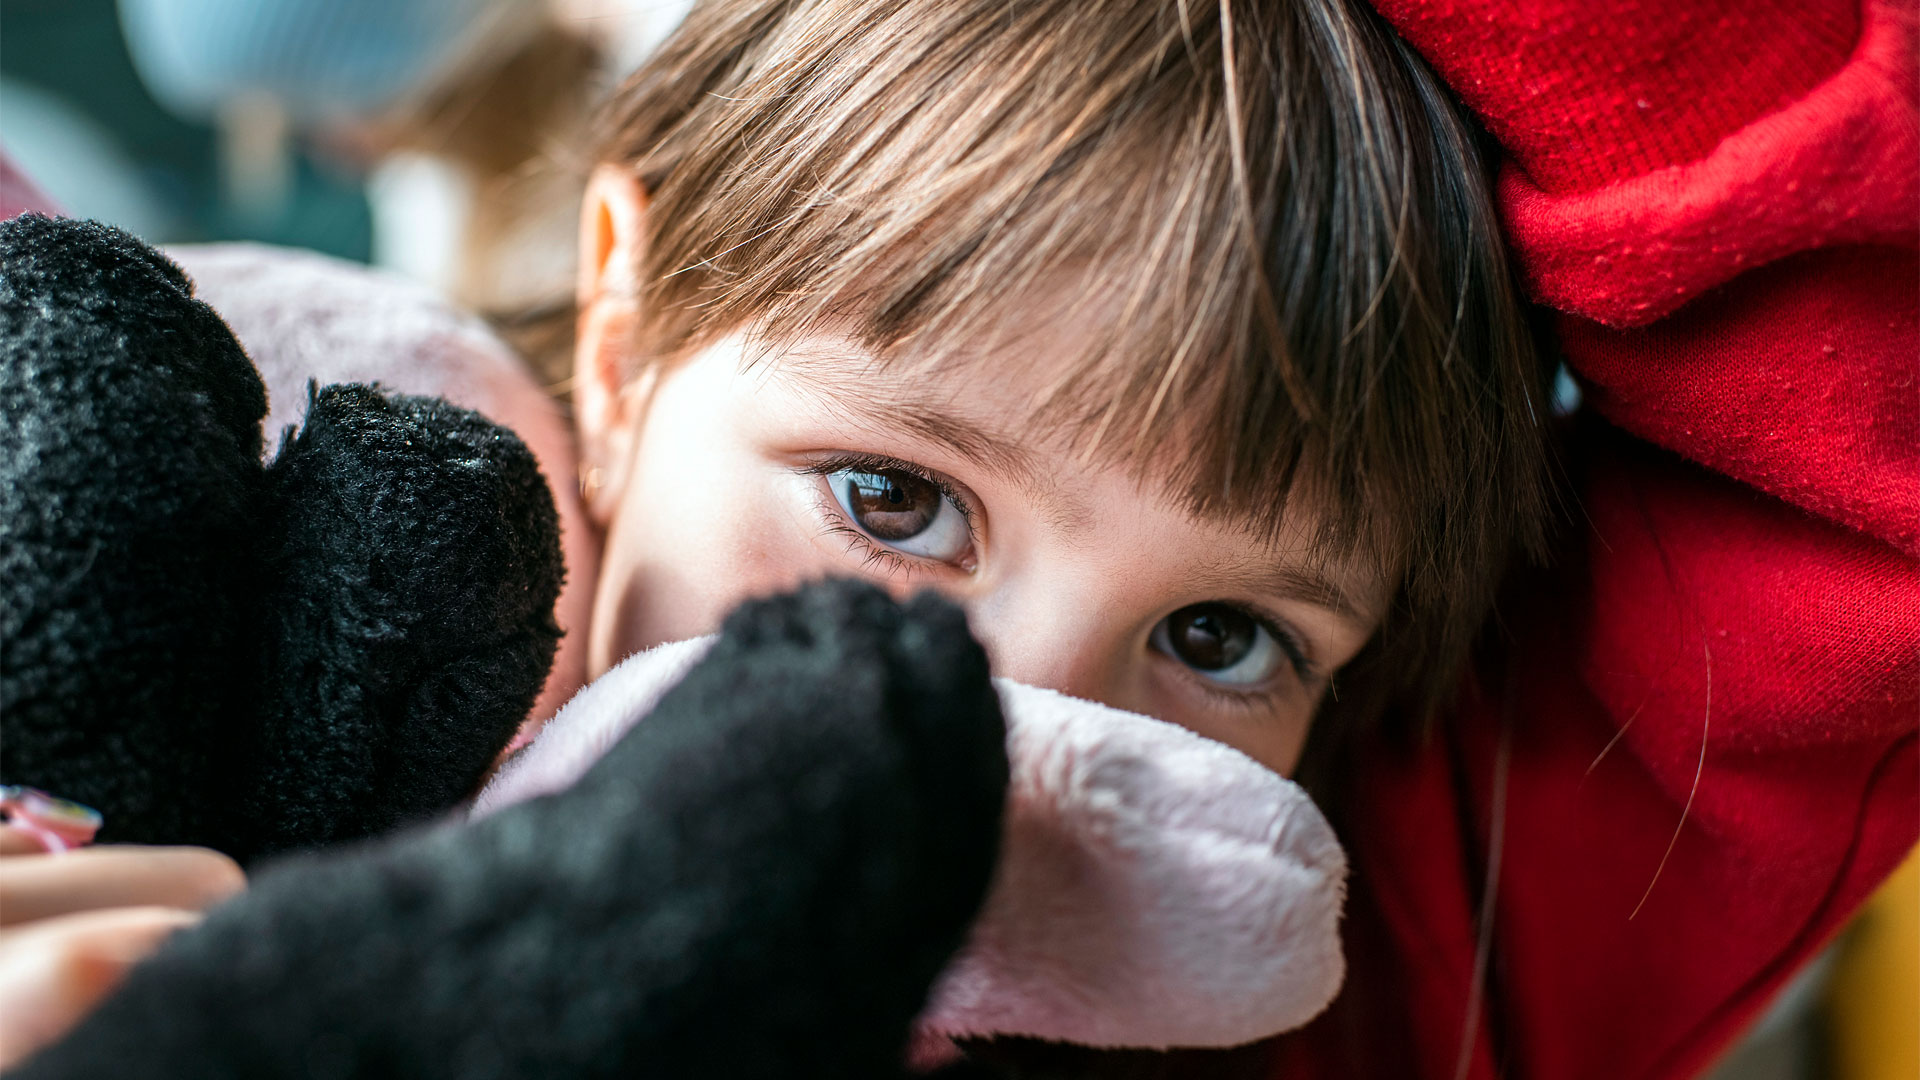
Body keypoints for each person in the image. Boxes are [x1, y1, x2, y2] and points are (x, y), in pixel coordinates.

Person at [4, 0, 1913, 1076]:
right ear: (623, 317)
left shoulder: (1392, 971)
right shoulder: (177, 651)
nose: (1013, 749)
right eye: (893, 501)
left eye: (1230, 635)